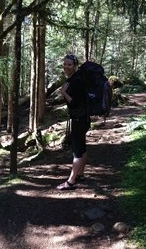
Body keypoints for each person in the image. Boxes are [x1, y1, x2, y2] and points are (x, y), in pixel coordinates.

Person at [57, 54, 89, 190]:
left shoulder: (76, 80)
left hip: (79, 118)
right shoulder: (75, 78)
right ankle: (80, 174)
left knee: (77, 150)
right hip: (83, 117)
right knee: (82, 147)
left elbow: (75, 102)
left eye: (69, 64)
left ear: (75, 66)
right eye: (65, 64)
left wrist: (64, 93)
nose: (66, 67)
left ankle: (71, 181)